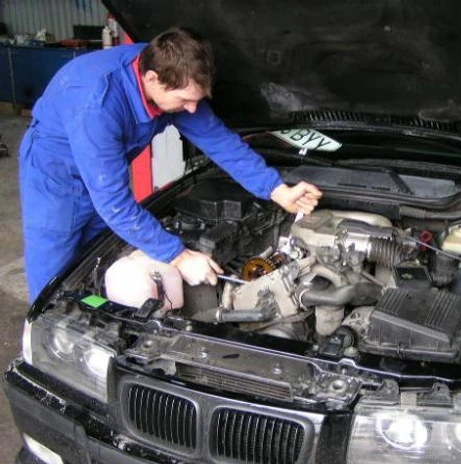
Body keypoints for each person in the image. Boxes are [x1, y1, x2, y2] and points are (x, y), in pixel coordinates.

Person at [18, 27, 322, 302]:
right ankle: (42, 335)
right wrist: (178, 256)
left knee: (98, 260)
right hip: (55, 177)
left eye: (197, 99)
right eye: (185, 100)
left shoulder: (173, 72)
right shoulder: (97, 104)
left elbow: (220, 142)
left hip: (102, 170)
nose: (192, 109)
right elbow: (113, 203)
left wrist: (277, 190)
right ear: (152, 79)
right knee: (54, 277)